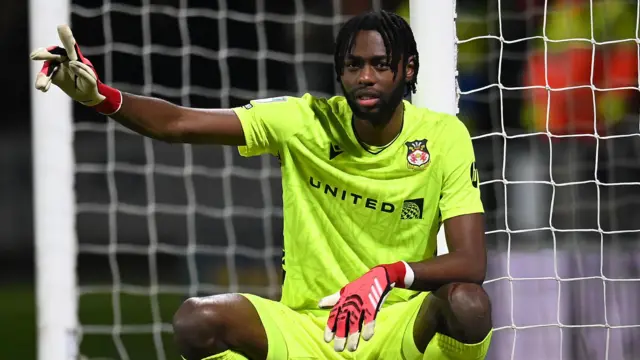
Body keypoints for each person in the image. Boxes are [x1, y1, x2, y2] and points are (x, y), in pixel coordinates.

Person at [31, 10, 492, 360]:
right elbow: (179, 124)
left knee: (468, 305)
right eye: (353, 65)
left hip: (396, 327)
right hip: (310, 329)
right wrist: (102, 97)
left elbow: (470, 262)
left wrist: (387, 275)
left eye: (379, 64)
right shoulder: (303, 121)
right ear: (340, 72)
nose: (365, 77)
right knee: (197, 318)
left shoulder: (443, 136)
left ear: (408, 70)